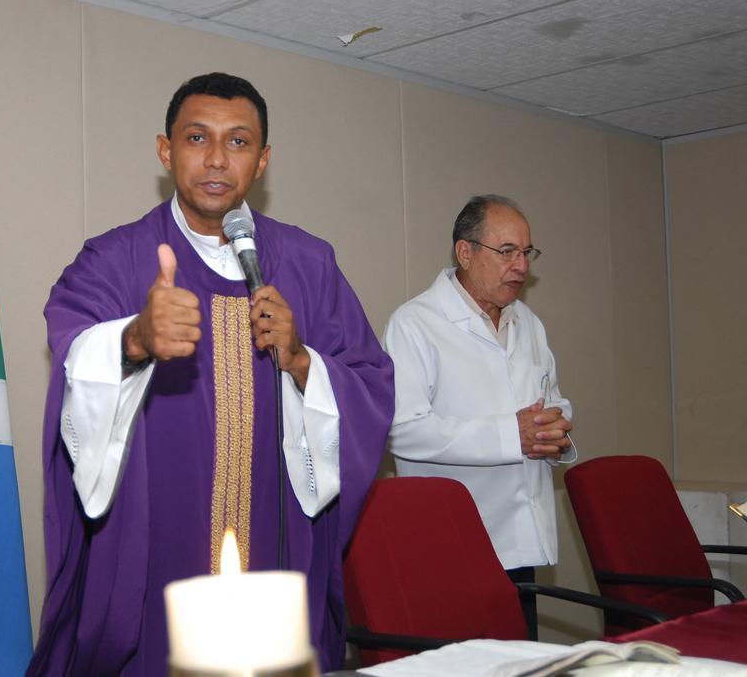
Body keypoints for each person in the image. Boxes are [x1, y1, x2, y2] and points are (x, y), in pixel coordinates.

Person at [29, 72, 394, 676]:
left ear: (263, 160)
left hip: (276, 542)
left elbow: (370, 383)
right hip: (155, 547)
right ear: (165, 150)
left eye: (239, 141)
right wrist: (134, 338)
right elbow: (73, 354)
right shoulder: (115, 259)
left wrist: (302, 360)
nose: (218, 158)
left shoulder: (310, 263)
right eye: (197, 138)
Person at [382, 194, 575, 637]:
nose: (521, 266)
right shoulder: (415, 324)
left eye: (526, 252)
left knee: (521, 661)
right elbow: (402, 430)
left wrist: (555, 432)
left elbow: (551, 400)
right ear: (465, 253)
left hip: (522, 540)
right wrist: (512, 435)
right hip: (452, 547)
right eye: (507, 251)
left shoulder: (528, 322)